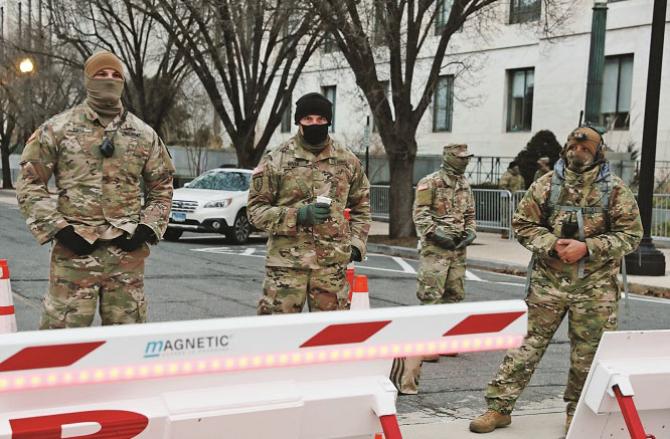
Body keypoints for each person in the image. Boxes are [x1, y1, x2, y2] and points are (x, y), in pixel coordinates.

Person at [469, 126, 642, 434]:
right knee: (525, 345)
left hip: (595, 287)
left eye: (586, 149)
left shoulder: (615, 190)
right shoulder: (546, 185)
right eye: (574, 148)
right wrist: (550, 243)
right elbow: (522, 225)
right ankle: (499, 407)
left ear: (597, 153)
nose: (579, 153)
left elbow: (631, 235)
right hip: (548, 282)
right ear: (566, 149)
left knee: (588, 355)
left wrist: (587, 247)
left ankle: (577, 413)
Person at [16, 51, 175, 329]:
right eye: (102, 74)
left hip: (126, 255)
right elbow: (30, 183)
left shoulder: (144, 134)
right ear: (89, 79)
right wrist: (59, 229)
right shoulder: (57, 129)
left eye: (115, 75)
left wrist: (146, 228)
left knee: (127, 343)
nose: (109, 79)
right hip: (74, 254)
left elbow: (162, 186)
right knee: (61, 341)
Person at [248, 92, 371, 315]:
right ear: (299, 121)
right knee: (277, 335)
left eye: (320, 120)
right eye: (308, 119)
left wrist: (355, 245)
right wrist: (298, 216)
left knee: (331, 337)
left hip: (331, 268)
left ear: (328, 121)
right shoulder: (276, 159)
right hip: (286, 268)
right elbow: (255, 211)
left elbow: (362, 206)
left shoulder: (347, 160)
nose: (315, 124)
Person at [390, 143, 476, 395]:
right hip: (435, 249)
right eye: (460, 158)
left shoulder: (464, 185)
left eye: (466, 158)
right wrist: (436, 234)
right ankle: (427, 344)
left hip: (458, 249)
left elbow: (470, 214)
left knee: (454, 294)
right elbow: (421, 214)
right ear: (448, 157)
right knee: (431, 295)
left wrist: (470, 232)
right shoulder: (431, 182)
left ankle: (447, 340)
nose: (464, 161)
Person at [499, 161, 525, 238]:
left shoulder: (520, 177)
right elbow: (502, 186)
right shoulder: (506, 175)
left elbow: (523, 186)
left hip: (517, 199)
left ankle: (514, 232)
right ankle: (505, 232)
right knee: (505, 215)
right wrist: (510, 192)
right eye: (516, 168)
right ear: (512, 168)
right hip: (507, 199)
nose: (517, 170)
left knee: (516, 216)